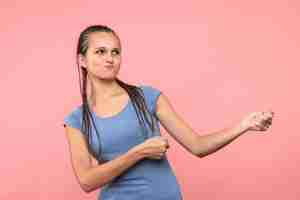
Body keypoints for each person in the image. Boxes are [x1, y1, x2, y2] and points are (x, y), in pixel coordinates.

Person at [63, 25, 274, 200]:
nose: (110, 58)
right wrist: (140, 152)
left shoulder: (147, 97)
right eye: (100, 51)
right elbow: (87, 180)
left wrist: (243, 125)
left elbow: (197, 146)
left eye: (115, 52)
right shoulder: (76, 120)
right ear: (82, 60)